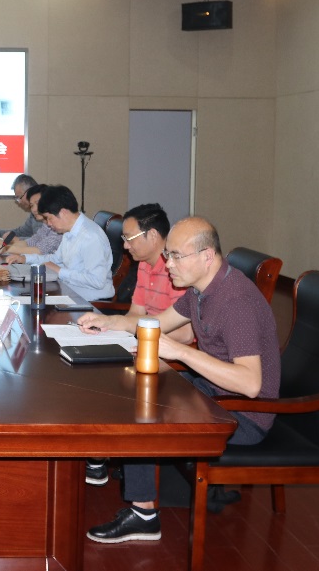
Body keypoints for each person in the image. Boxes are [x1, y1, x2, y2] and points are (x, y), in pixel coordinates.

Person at [81, 217, 281, 544]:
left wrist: (180, 352)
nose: (167, 264)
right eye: (167, 254)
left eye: (176, 256)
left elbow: (250, 384)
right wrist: (109, 322)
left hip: (244, 415)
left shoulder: (235, 301)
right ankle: (124, 482)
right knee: (138, 389)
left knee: (144, 411)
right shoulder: (202, 290)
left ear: (207, 256)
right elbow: (157, 323)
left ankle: (144, 514)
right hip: (216, 395)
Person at [75, 203, 184, 487]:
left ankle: (117, 472)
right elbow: (136, 314)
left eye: (129, 238)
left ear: (153, 235)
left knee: (112, 385)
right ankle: (98, 455)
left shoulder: (178, 269)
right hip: (145, 343)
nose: (124, 246)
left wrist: (123, 327)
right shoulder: (145, 265)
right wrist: (108, 323)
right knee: (87, 371)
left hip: (172, 358)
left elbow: (183, 334)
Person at [4, 185, 113, 301]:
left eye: (49, 218)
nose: (48, 224)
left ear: (63, 212)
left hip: (90, 300)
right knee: (21, 295)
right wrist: (24, 258)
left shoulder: (90, 236)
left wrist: (60, 271)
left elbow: (97, 281)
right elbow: (55, 259)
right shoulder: (69, 231)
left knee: (28, 299)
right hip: (70, 290)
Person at [0, 184, 62, 256]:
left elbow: (40, 251)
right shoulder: (45, 225)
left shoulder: (58, 225)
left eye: (38, 203)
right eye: (32, 206)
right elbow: (29, 242)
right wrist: (3, 244)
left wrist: (7, 248)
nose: (34, 210)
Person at [0, 174, 40, 239]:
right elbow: (21, 232)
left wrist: (14, 240)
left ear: (30, 191)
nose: (19, 202)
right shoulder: (33, 214)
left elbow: (41, 241)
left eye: (19, 197)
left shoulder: (46, 210)